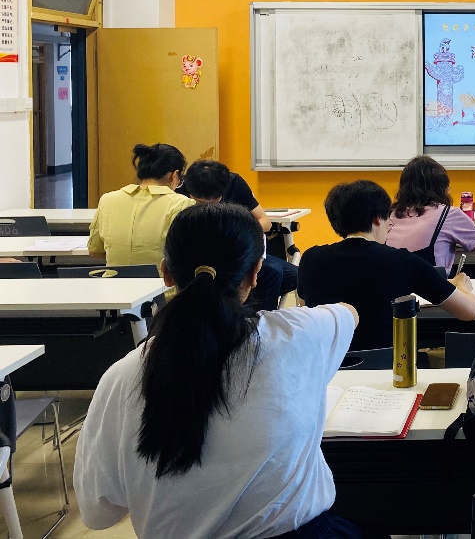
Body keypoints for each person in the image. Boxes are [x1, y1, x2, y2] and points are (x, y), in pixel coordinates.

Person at [74, 203, 371, 539]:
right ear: (256, 273)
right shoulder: (299, 336)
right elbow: (348, 313)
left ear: (166, 272)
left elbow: (99, 512)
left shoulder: (121, 378)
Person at [300, 180, 475, 351]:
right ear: (378, 219)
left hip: (326, 367)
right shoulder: (402, 261)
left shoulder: (310, 258)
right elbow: (470, 312)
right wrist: (461, 286)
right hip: (388, 366)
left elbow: (306, 310)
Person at [182, 159, 299, 311]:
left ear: (222, 193)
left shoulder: (234, 183)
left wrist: (239, 232)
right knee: (272, 272)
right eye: (202, 203)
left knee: (295, 275)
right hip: (204, 255)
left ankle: (246, 311)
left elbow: (265, 222)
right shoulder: (182, 191)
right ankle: (249, 315)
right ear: (191, 194)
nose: (209, 207)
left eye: (215, 201)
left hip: (236, 249)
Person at [386, 156, 475, 272]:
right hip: (432, 291)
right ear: (443, 188)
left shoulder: (387, 216)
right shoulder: (449, 215)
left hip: (390, 290)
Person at [87, 143, 194, 266]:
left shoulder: (108, 199)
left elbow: (95, 251)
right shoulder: (182, 204)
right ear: (174, 176)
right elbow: (188, 255)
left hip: (114, 277)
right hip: (160, 278)